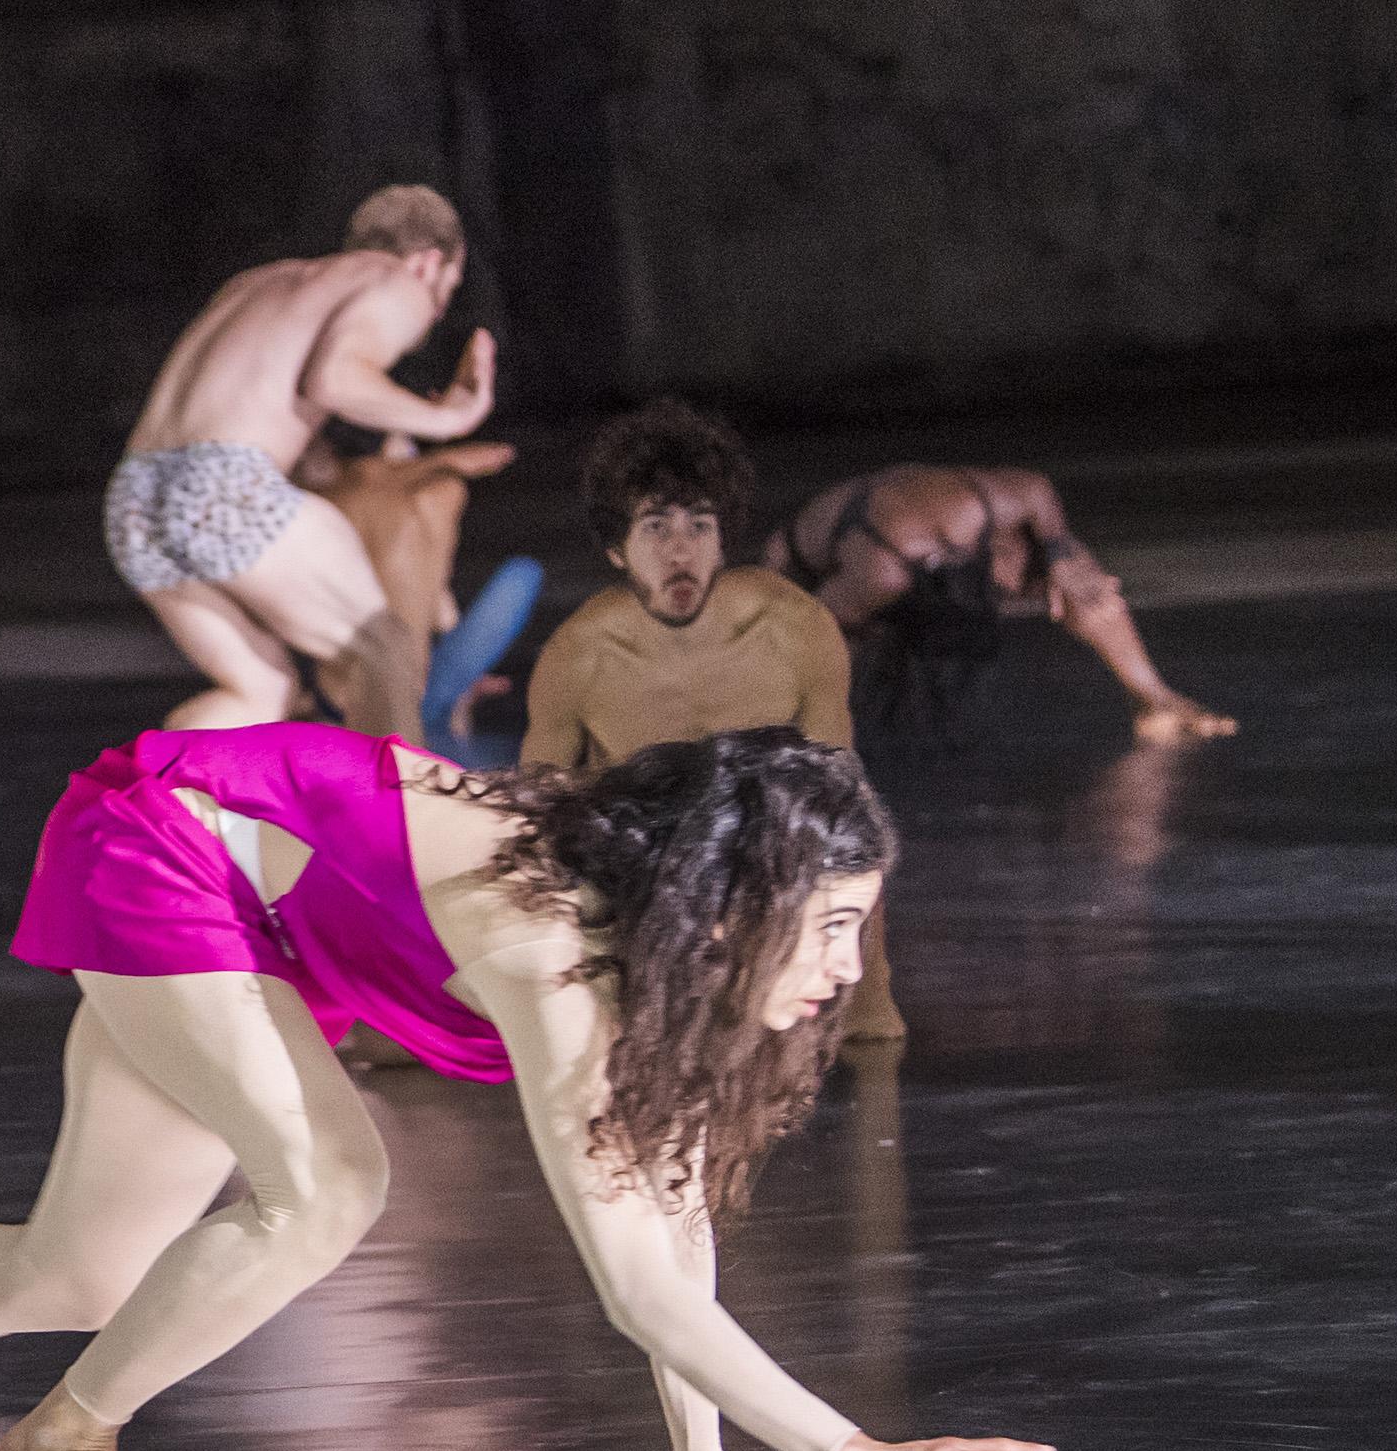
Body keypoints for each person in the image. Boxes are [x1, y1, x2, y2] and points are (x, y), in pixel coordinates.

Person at [0, 725, 1056, 1451]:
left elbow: (662, 1206)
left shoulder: (647, 970)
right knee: (329, 1186)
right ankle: (64, 1435)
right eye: (830, 928)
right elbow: (632, 1284)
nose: (845, 968)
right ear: (732, 903)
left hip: (241, 914)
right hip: (165, 843)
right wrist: (852, 1448)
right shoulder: (555, 943)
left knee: (81, 1275)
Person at [526, 401, 899, 1045]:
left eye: (699, 527)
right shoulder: (578, 656)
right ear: (617, 552)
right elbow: (537, 814)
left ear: (724, 538)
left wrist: (870, 997)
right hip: (649, 870)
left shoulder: (793, 628)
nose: (680, 550)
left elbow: (843, 803)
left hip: (768, 859)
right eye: (655, 529)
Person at [109, 188, 497, 740]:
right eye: (446, 295)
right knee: (384, 649)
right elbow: (336, 379)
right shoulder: (394, 280)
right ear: (430, 261)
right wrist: (450, 419)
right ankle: (392, 823)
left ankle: (152, 811)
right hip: (223, 482)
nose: (433, 315)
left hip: (135, 497)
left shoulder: (257, 284)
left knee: (262, 691)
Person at [769, 466, 1234, 747]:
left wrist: (1057, 555)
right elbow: (809, 629)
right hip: (799, 565)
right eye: (1019, 590)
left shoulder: (986, 506)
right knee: (828, 655)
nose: (1022, 596)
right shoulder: (881, 574)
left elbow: (1037, 489)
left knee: (1080, 574)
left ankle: (1156, 701)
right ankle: (784, 736)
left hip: (918, 545)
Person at [299, 432, 537, 763]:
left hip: (336, 704)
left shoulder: (315, 504)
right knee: (524, 573)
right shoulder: (442, 492)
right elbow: (442, 615)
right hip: (413, 699)